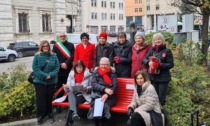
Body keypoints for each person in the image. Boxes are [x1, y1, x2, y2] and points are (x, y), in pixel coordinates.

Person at [32, 40, 60, 124]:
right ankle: (41, 115)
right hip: (40, 81)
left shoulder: (54, 55)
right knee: (41, 99)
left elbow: (57, 67)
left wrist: (50, 75)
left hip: (51, 81)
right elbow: (35, 68)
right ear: (41, 47)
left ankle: (49, 112)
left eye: (47, 46)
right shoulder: (37, 56)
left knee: (49, 98)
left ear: (49, 47)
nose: (45, 47)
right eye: (44, 46)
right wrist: (45, 75)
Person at [143, 33, 174, 106]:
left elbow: (171, 64)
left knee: (161, 98)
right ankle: (154, 113)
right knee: (153, 96)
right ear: (154, 41)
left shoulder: (167, 51)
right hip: (153, 78)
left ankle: (160, 113)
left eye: (159, 39)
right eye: (156, 39)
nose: (157, 41)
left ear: (162, 40)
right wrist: (148, 63)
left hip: (163, 78)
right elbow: (144, 59)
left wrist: (159, 65)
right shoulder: (152, 50)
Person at [88, 57, 118, 126]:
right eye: (101, 64)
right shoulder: (95, 73)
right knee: (97, 105)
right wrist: (104, 89)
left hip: (110, 96)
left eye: (105, 64)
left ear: (108, 65)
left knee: (104, 105)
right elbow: (93, 84)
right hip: (97, 94)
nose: (103, 66)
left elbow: (115, 86)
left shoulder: (113, 73)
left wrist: (107, 94)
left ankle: (103, 123)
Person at [63, 60, 92, 126]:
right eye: (77, 67)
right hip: (73, 93)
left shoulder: (88, 75)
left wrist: (86, 89)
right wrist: (66, 87)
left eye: (80, 67)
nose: (79, 69)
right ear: (75, 68)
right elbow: (67, 88)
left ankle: (69, 122)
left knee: (72, 101)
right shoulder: (71, 74)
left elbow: (92, 87)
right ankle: (74, 115)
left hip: (83, 95)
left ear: (83, 67)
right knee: (70, 94)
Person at [52, 32, 75, 96]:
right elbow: (54, 56)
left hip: (68, 68)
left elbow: (73, 56)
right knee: (60, 86)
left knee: (69, 85)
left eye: (64, 36)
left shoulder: (71, 45)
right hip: (59, 69)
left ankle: (67, 100)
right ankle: (59, 101)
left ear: (66, 37)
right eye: (61, 36)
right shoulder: (56, 46)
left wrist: (66, 63)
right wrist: (61, 64)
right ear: (59, 38)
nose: (62, 37)